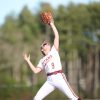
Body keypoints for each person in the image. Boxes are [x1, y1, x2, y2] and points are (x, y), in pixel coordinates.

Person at [23, 19, 81, 100]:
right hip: (50, 80)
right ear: (42, 49)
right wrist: (28, 61)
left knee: (73, 97)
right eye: (44, 44)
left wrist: (52, 24)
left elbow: (57, 36)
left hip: (59, 77)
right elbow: (36, 71)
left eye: (47, 43)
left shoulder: (54, 50)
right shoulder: (42, 60)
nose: (46, 44)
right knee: (36, 98)